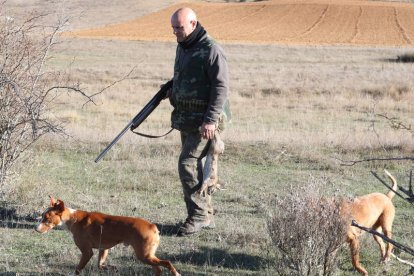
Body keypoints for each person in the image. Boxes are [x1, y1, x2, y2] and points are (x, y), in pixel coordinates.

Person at [167, 7, 230, 236]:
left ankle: (198, 216)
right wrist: (172, 88)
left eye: (180, 27)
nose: (176, 32)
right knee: (201, 168)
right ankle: (206, 215)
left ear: (193, 24)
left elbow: (221, 87)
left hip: (205, 122)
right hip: (187, 119)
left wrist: (211, 120)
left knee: (187, 164)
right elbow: (184, 75)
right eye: (173, 28)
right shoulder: (183, 46)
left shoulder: (211, 49)